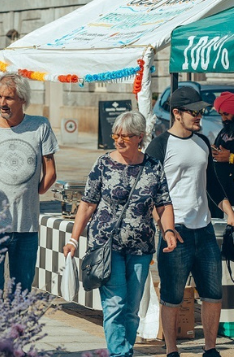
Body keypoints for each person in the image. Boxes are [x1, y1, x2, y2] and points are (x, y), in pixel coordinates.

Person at [64, 111, 177, 357]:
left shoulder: (152, 166)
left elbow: (163, 203)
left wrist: (168, 230)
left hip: (141, 246)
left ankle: (124, 349)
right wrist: (73, 239)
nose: (119, 140)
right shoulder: (103, 164)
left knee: (132, 307)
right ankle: (120, 354)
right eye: (116, 135)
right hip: (106, 245)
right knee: (115, 303)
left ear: (140, 137)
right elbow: (87, 204)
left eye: (125, 136)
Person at [145, 86, 234, 357]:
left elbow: (212, 183)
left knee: (213, 294)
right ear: (176, 113)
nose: (199, 116)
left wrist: (229, 213)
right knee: (172, 296)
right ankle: (172, 350)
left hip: (205, 229)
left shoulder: (202, 142)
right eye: (194, 112)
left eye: (201, 111)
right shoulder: (160, 145)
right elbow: (150, 191)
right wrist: (165, 227)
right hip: (176, 230)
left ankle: (210, 349)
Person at [0, 72, 58, 306]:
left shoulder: (40, 126)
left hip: (25, 226)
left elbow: (50, 171)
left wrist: (31, 193)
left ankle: (15, 341)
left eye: (9, 97)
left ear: (23, 100)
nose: (2, 103)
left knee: (22, 292)